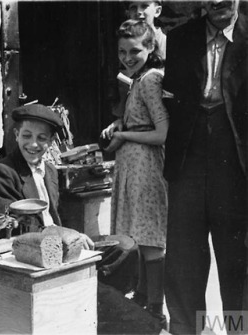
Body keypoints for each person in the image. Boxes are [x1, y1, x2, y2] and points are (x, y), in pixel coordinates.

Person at [162, 1, 247, 333]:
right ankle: (190, 330)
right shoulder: (181, 38)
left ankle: (237, 331)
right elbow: (172, 97)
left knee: (237, 259)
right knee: (185, 259)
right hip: (189, 161)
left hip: (236, 164)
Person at [0, 104, 95, 290]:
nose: (33, 144)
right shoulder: (3, 172)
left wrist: (73, 239)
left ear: (50, 142)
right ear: (16, 135)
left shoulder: (49, 171)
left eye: (41, 138)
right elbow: (17, 231)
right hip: (27, 253)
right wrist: (64, 237)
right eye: (27, 136)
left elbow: (55, 215)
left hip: (54, 247)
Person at [100, 19, 169, 326]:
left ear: (151, 48)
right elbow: (138, 121)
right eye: (122, 51)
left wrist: (125, 136)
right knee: (139, 236)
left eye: (135, 51)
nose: (127, 57)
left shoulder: (151, 79)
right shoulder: (136, 79)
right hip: (132, 166)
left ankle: (156, 306)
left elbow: (161, 133)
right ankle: (142, 296)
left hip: (146, 166)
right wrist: (118, 126)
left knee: (150, 238)